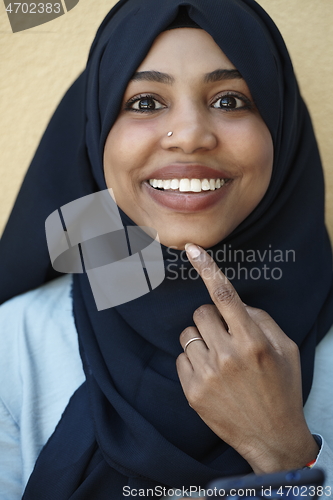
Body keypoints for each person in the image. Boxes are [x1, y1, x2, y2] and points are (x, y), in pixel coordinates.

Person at [0, 0, 333, 498]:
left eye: (230, 100)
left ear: (282, 133)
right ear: (96, 135)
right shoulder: (16, 342)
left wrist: (284, 453)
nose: (192, 136)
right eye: (145, 103)